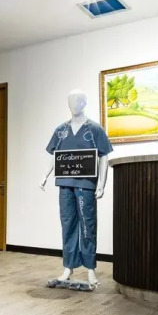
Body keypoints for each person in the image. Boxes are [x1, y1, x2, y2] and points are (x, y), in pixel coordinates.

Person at [39, 89, 112, 286]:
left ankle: (90, 268)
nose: (74, 104)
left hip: (85, 185)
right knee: (68, 224)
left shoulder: (94, 130)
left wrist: (101, 184)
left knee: (88, 225)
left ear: (85, 103)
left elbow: (104, 156)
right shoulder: (61, 130)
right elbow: (55, 155)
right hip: (65, 184)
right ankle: (68, 266)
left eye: (78, 100)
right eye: (70, 100)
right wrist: (45, 175)